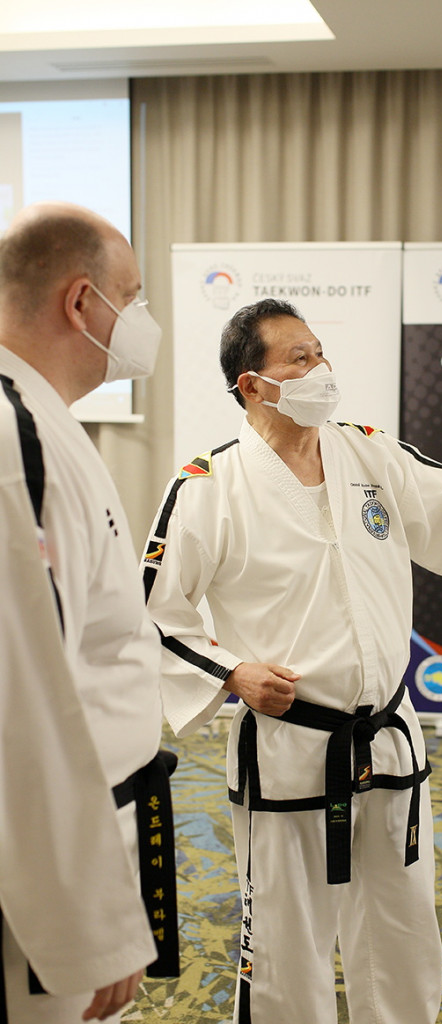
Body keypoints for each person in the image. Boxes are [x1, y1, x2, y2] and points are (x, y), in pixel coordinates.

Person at [143, 298, 442, 1024]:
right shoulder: (207, 487)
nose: (321, 367)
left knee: (401, 931)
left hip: (385, 737)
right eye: (299, 358)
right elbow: (154, 613)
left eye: (320, 351)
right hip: (289, 747)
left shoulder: (369, 452)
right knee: (286, 945)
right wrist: (231, 673)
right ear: (252, 384)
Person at [0, 202, 177, 1024]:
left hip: (88, 819)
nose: (140, 319)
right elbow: (24, 697)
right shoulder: (17, 443)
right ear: (80, 302)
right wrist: (89, 921)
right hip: (53, 858)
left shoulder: (39, 419)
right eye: (131, 297)